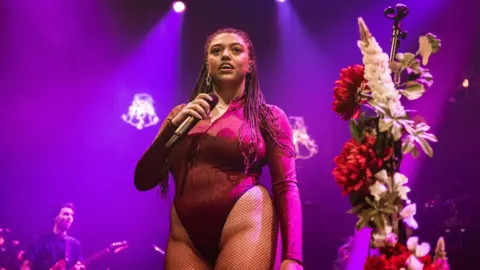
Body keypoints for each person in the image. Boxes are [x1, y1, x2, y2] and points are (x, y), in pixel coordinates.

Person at [134, 28, 303, 270]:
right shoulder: (181, 115)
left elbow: (286, 185)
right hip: (185, 234)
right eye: (216, 51)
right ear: (207, 64)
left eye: (236, 50)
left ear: (250, 65)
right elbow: (142, 180)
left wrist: (293, 256)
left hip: (245, 217)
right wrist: (172, 128)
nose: (225, 55)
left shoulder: (269, 117)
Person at [21, 203, 85, 270]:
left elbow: (79, 264)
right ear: (55, 217)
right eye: (66, 214)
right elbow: (26, 266)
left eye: (72, 215)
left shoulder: (75, 244)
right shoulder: (40, 241)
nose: (70, 217)